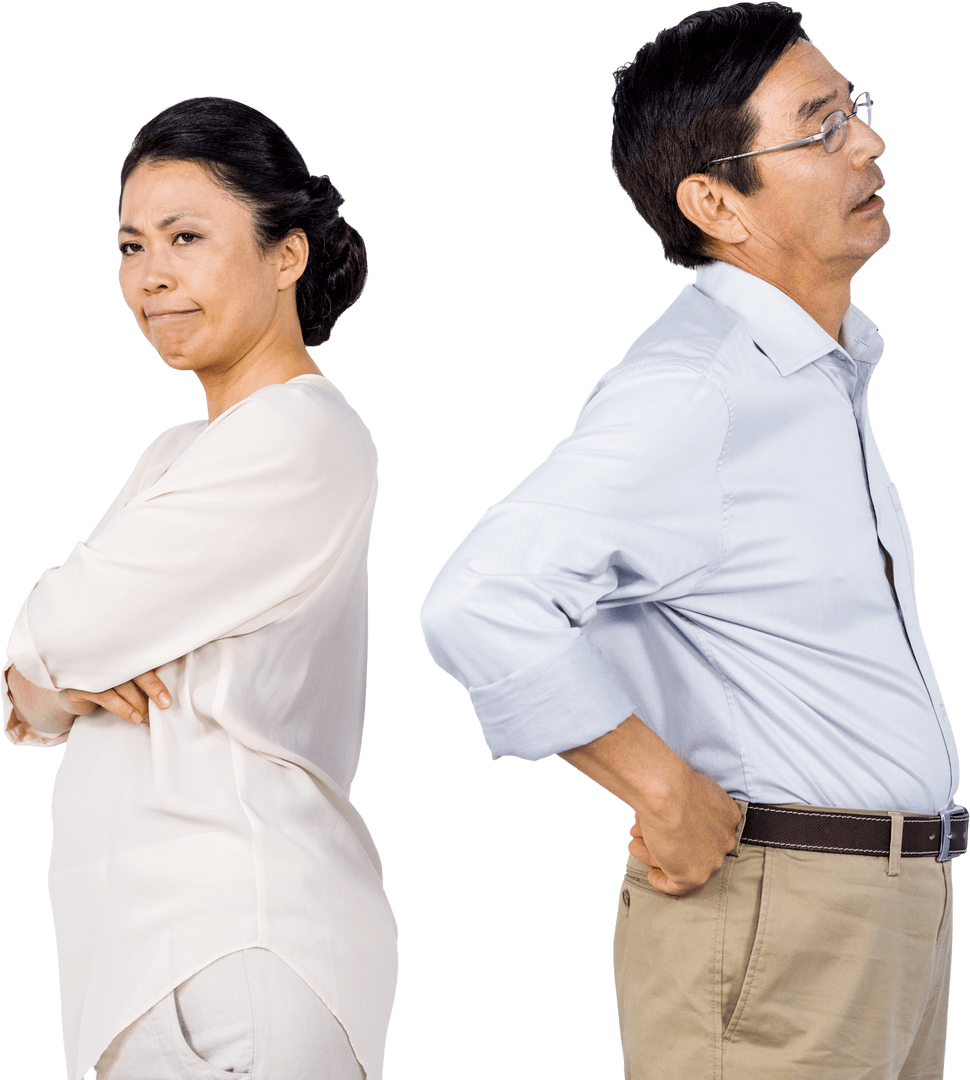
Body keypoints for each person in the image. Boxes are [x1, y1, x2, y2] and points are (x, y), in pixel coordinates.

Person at [419, 4, 963, 1077]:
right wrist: (660, 789)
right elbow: (477, 600)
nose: (868, 139)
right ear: (715, 201)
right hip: (780, 924)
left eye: (853, 108)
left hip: (886, 915)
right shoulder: (694, 393)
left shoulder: (814, 376)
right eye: (818, 127)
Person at [3, 97, 397, 1080]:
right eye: (132, 246)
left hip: (236, 948)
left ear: (286, 254)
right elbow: (37, 676)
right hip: (150, 967)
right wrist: (46, 681)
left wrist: (51, 671)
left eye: (187, 237)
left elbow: (61, 628)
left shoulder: (300, 434)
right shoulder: (182, 451)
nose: (152, 277)